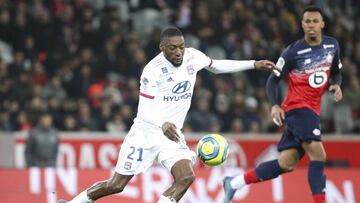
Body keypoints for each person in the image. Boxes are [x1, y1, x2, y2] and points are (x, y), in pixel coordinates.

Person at [58, 27, 276, 203]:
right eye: (173, 48)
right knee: (116, 185)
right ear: (162, 47)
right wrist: (162, 124)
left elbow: (216, 66)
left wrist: (253, 64)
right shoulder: (152, 71)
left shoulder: (193, 57)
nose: (179, 52)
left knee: (186, 177)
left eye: (181, 46)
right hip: (145, 133)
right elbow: (144, 109)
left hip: (170, 136)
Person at [223, 6, 343, 203]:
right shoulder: (292, 52)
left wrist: (336, 85)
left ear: (322, 24)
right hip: (298, 109)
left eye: (315, 21)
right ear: (302, 25)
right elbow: (272, 80)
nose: (311, 25)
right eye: (307, 22)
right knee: (319, 156)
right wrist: (275, 105)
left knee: (287, 163)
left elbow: (336, 71)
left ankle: (233, 183)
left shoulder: (333, 45)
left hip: (312, 110)